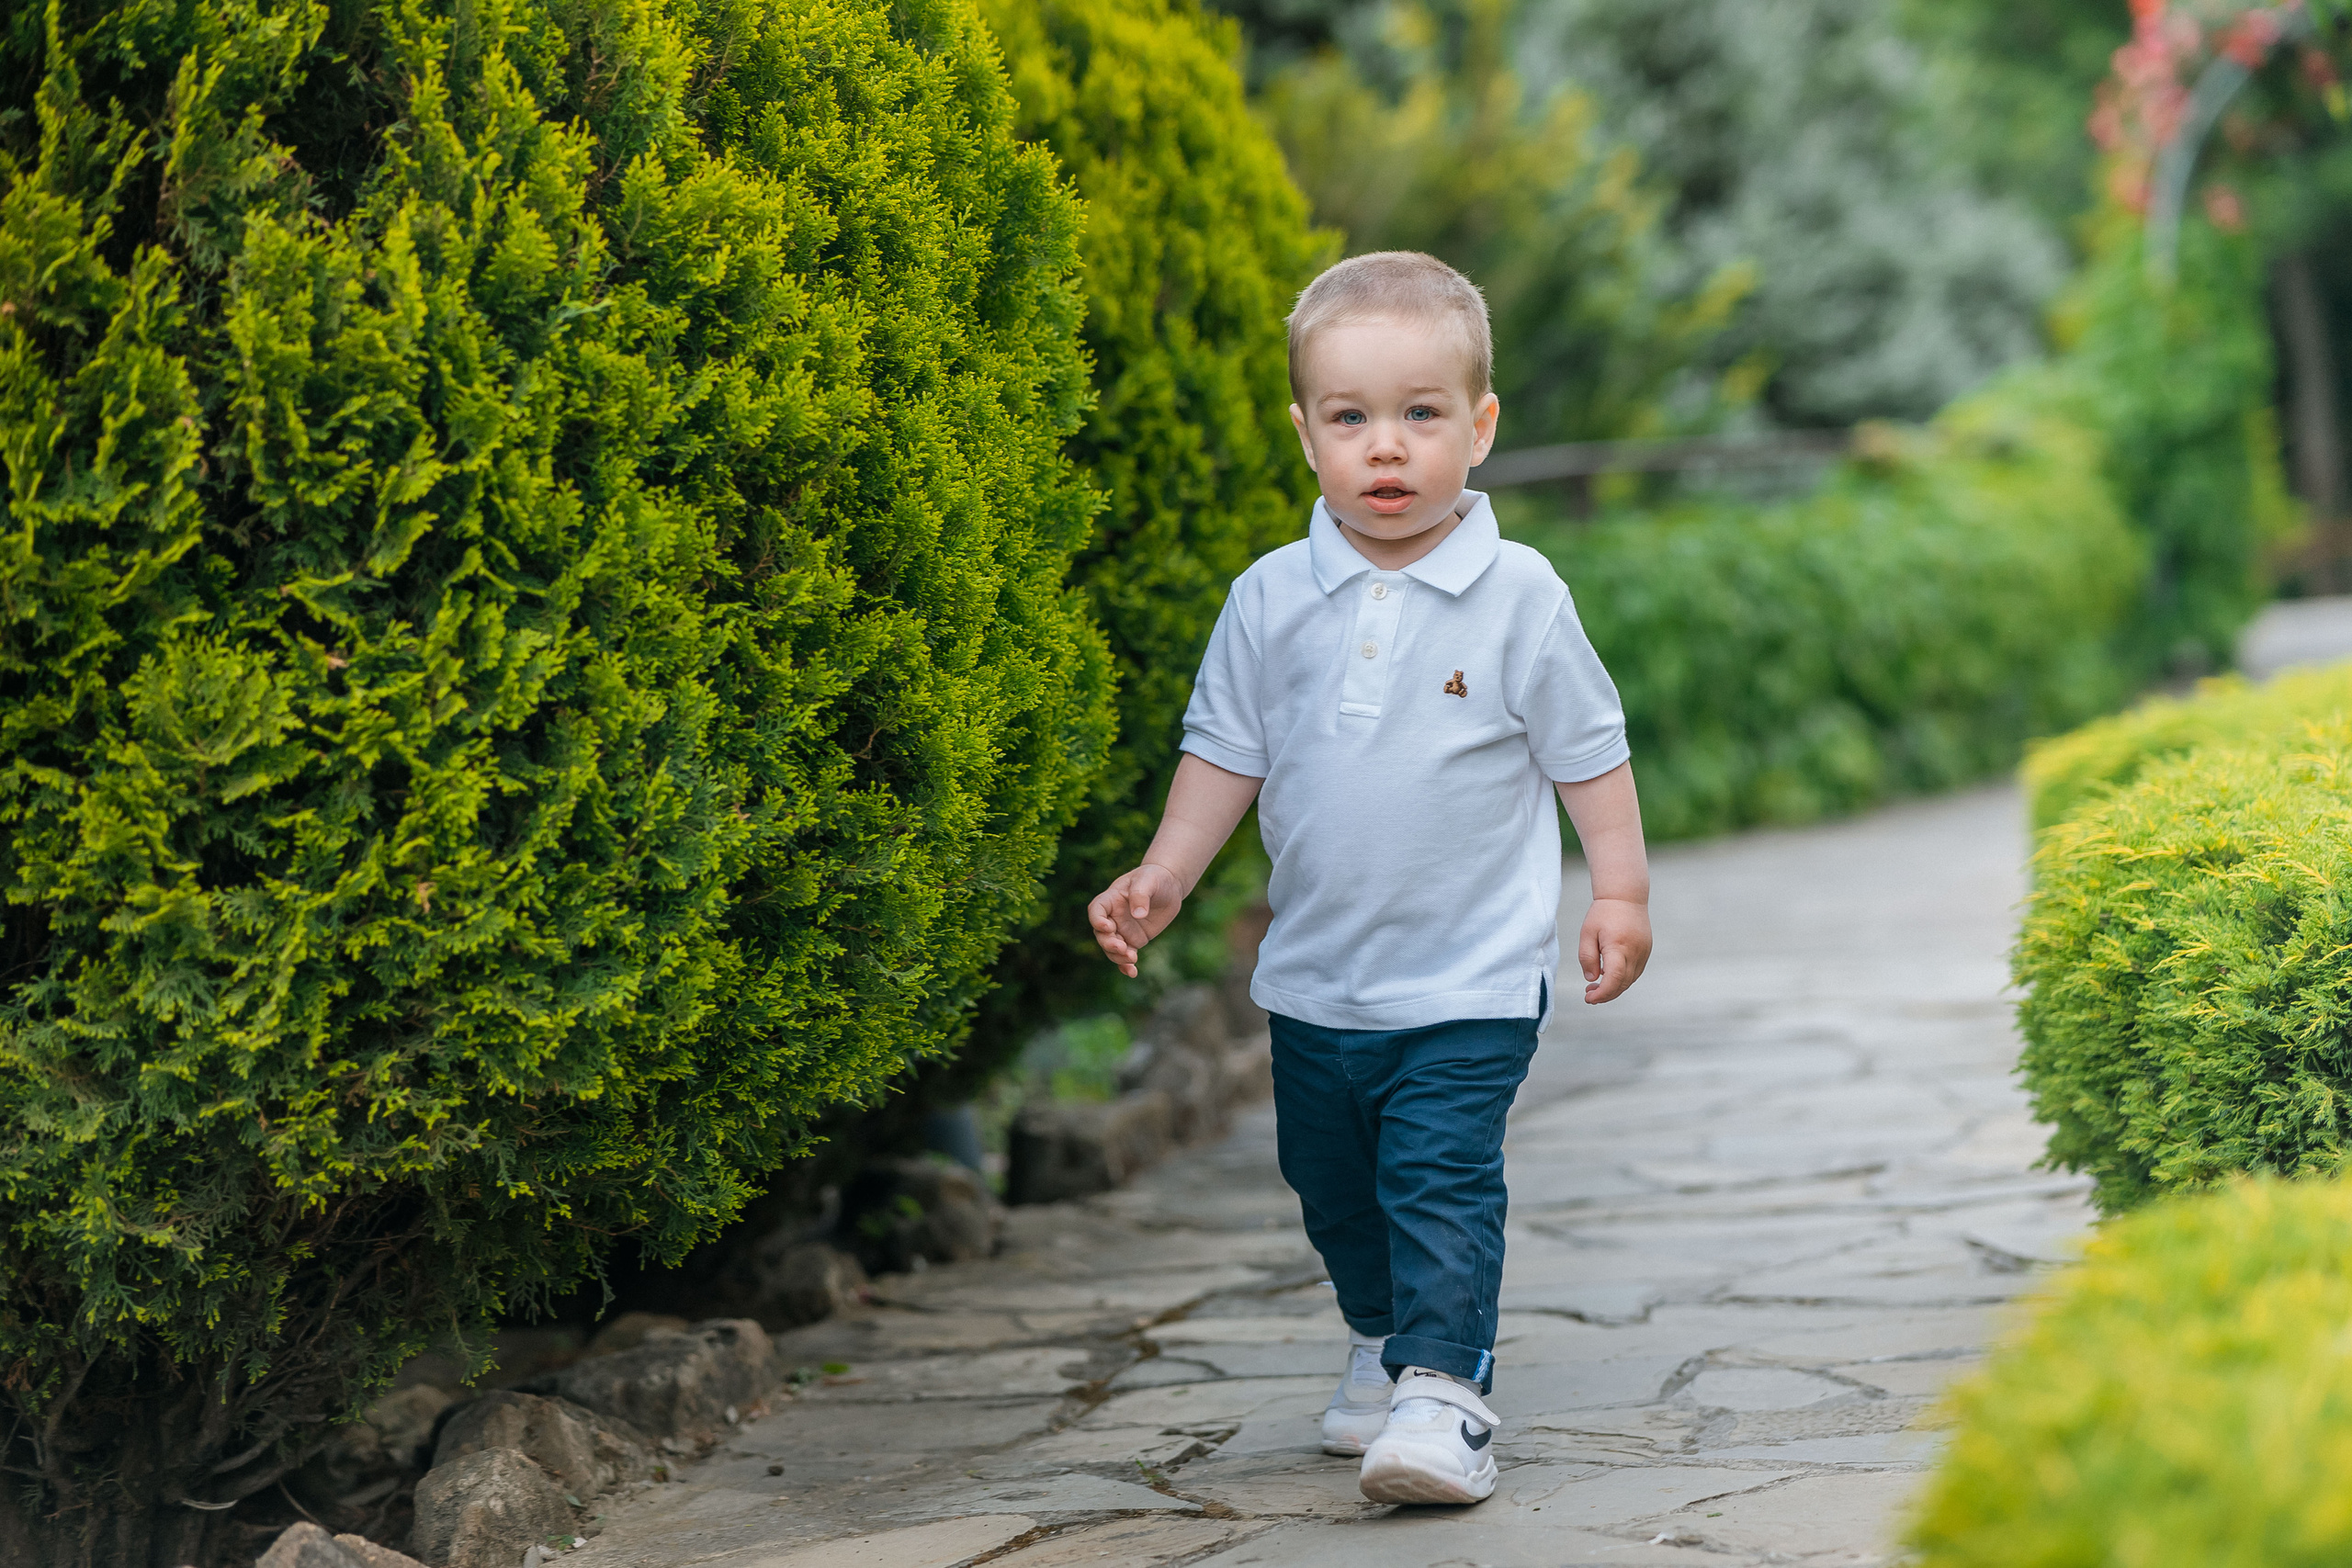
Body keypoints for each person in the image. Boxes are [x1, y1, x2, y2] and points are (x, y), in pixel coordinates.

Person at [1086, 250, 1652, 1506]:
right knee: (1334, 1189)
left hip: (1469, 980)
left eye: (1420, 414)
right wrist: (1168, 873)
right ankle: (1382, 1342)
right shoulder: (1272, 599)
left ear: (1481, 427)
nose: (1384, 448)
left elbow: (1589, 753)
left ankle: (1446, 1395)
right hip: (1317, 984)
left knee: (1438, 1179)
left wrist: (1619, 894)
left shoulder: (1517, 595)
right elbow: (1224, 750)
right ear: (1306, 436)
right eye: (1350, 418)